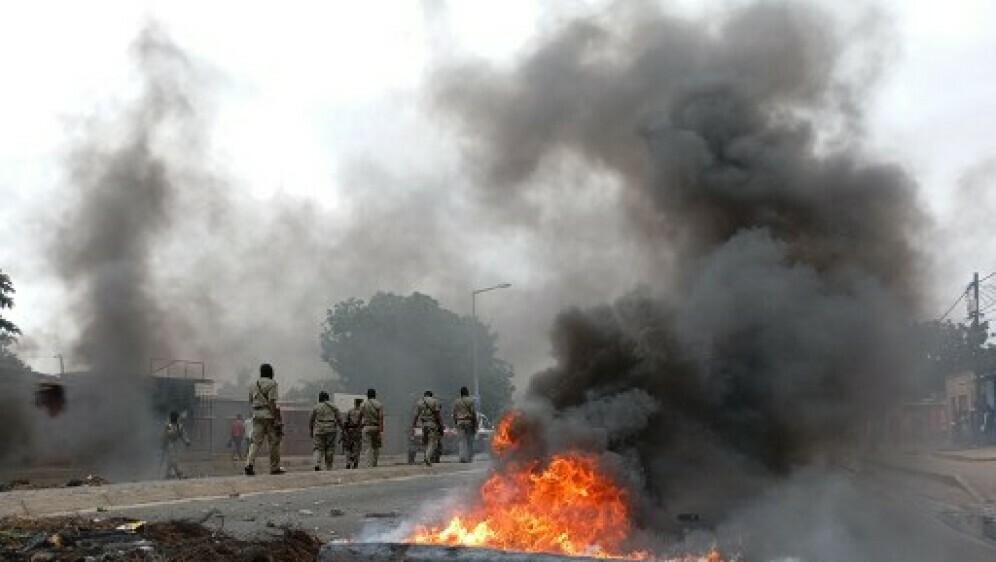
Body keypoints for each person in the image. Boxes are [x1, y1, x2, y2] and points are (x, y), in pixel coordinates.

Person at [245, 363, 284, 475]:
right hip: (268, 415)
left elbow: (250, 401)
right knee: (274, 442)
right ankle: (274, 467)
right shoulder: (272, 383)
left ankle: (249, 464)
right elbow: (272, 402)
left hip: (256, 415)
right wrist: (276, 419)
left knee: (255, 442)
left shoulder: (253, 384)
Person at [310, 391, 343, 471]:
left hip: (319, 429)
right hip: (331, 428)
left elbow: (312, 420)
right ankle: (329, 466)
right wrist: (342, 428)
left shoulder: (316, 407)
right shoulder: (334, 407)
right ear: (328, 398)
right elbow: (339, 419)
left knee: (317, 448)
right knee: (330, 448)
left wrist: (311, 430)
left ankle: (317, 464)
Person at [412, 390, 443, 466]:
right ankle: (427, 457)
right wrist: (440, 425)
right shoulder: (435, 401)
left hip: (423, 424)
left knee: (425, 441)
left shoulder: (419, 402)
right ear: (431, 395)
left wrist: (413, 425)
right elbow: (437, 414)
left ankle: (426, 455)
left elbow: (416, 415)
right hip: (432, 423)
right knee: (432, 442)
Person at [162, 411, 190, 479]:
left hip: (176, 443)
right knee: (173, 459)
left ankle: (167, 474)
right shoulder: (168, 425)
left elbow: (183, 434)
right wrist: (163, 444)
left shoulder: (179, 426)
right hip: (169, 444)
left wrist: (187, 441)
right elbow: (164, 435)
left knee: (171, 460)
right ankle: (179, 473)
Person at [452, 386, 478, 463]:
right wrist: (475, 423)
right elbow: (473, 413)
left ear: (461, 393)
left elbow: (454, 414)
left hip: (459, 422)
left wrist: (455, 423)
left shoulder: (456, 402)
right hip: (468, 422)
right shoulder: (470, 401)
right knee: (469, 440)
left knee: (461, 440)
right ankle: (469, 457)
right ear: (467, 392)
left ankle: (462, 458)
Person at [360, 388, 384, 468]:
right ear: (375, 395)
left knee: (367, 447)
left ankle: (368, 465)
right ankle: (375, 464)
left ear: (367, 395)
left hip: (367, 427)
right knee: (376, 447)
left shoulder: (363, 405)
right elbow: (381, 417)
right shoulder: (379, 404)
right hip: (376, 427)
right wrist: (381, 429)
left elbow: (361, 416)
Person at [343, 398, 363, 469]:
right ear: (360, 403)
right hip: (358, 431)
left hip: (350, 430)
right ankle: (355, 462)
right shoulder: (362, 412)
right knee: (357, 447)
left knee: (348, 447)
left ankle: (348, 462)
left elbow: (345, 422)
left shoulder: (350, 411)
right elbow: (363, 422)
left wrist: (344, 431)